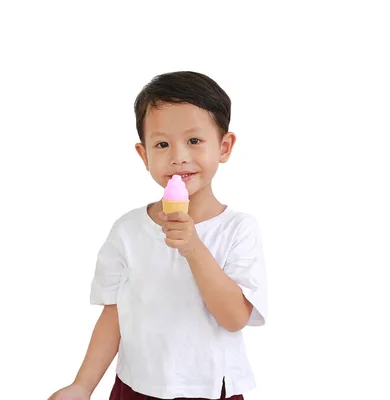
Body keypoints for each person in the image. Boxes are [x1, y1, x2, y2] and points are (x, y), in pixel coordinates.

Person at [48, 71, 267, 400]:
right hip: (136, 386)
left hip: (210, 389)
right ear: (144, 154)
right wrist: (83, 385)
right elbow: (114, 314)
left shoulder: (238, 229)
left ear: (224, 146)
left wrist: (193, 247)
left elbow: (235, 318)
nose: (178, 156)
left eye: (194, 141)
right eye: (162, 144)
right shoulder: (128, 230)